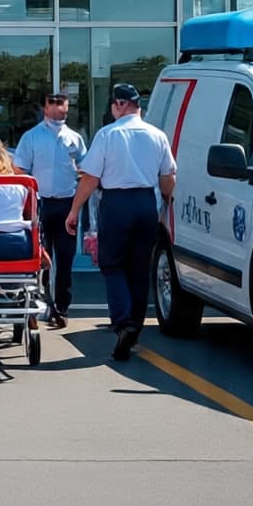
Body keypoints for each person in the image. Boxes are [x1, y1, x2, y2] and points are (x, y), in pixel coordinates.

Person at [65, 83, 176, 362]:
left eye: (113, 104)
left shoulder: (108, 135)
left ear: (121, 104)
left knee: (112, 263)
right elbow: (168, 177)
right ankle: (135, 329)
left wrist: (75, 210)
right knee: (139, 268)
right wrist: (165, 203)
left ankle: (123, 320)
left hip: (115, 203)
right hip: (145, 203)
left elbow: (90, 178)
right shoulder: (157, 135)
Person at [12, 92, 86, 328]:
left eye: (62, 107)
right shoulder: (31, 137)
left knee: (65, 258)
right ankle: (40, 303)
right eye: (53, 106)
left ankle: (62, 308)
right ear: (45, 109)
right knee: (39, 259)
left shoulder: (74, 138)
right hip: (40, 204)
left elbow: (86, 168)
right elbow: (20, 170)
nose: (59, 111)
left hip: (67, 204)